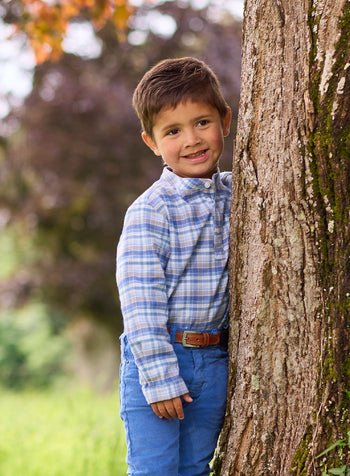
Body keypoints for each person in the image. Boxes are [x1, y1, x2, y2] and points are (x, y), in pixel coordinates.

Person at [116, 56, 232, 476]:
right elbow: (140, 306)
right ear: (151, 141)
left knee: (195, 468)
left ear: (225, 119)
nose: (192, 140)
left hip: (214, 360)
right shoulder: (151, 211)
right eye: (173, 131)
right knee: (156, 470)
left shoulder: (238, 193)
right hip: (161, 358)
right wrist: (161, 377)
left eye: (202, 122)